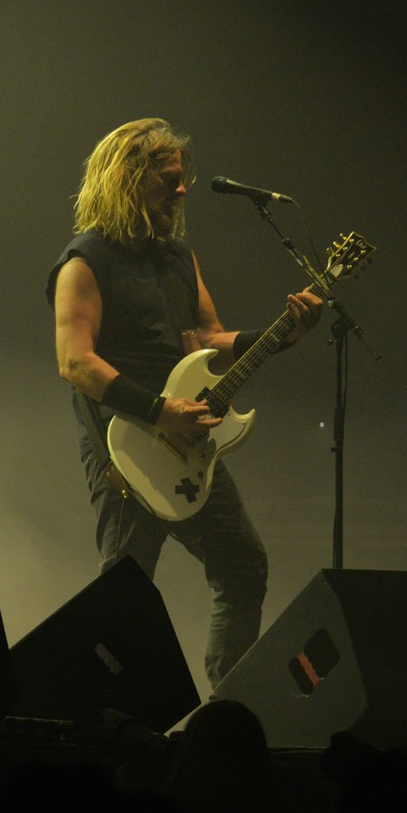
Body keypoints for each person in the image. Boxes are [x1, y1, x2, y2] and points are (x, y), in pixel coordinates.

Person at [47, 118, 322, 687]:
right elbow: (76, 362)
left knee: (244, 568)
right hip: (125, 449)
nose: (181, 190)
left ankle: (228, 710)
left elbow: (210, 336)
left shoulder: (177, 256)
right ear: (127, 179)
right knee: (125, 595)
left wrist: (283, 334)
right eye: (167, 179)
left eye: (182, 177)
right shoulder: (85, 260)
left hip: (191, 446)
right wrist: (158, 410)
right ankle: (110, 717)